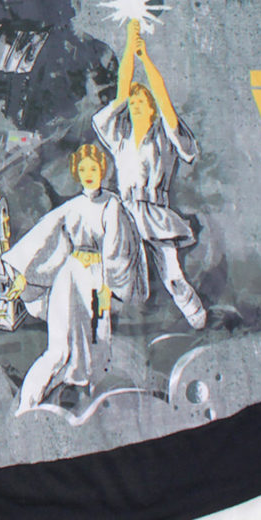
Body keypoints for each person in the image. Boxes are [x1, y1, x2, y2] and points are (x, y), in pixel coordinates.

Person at [2, 145, 145, 411]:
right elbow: (46, 240)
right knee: (58, 349)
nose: (88, 174)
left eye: (93, 168)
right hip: (69, 278)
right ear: (76, 173)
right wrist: (23, 276)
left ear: (102, 170)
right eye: (82, 169)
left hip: (97, 280)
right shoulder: (73, 206)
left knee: (98, 347)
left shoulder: (112, 205)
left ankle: (90, 408)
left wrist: (108, 287)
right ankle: (26, 406)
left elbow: (116, 250)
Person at [93, 19, 207, 329]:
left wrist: (145, 58)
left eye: (141, 102)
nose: (135, 106)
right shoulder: (121, 138)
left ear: (152, 107)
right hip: (125, 212)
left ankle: (196, 317)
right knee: (110, 269)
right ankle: (101, 321)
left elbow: (165, 103)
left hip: (155, 211)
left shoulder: (164, 137)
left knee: (173, 277)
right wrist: (129, 47)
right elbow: (121, 89)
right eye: (133, 103)